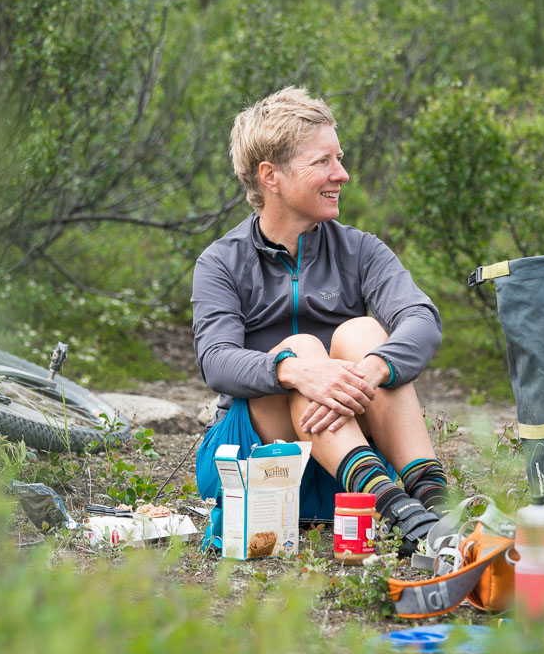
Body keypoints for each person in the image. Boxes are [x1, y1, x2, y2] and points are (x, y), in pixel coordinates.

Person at [191, 87, 448, 555]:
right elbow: (215, 361)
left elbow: (421, 318)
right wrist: (293, 370)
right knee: (304, 348)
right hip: (255, 458)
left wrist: (372, 367)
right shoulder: (221, 261)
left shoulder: (360, 249)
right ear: (270, 175)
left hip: (348, 468)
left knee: (364, 334)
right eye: (323, 162)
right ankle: (396, 505)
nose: (342, 174)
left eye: (340, 158)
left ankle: (435, 509)